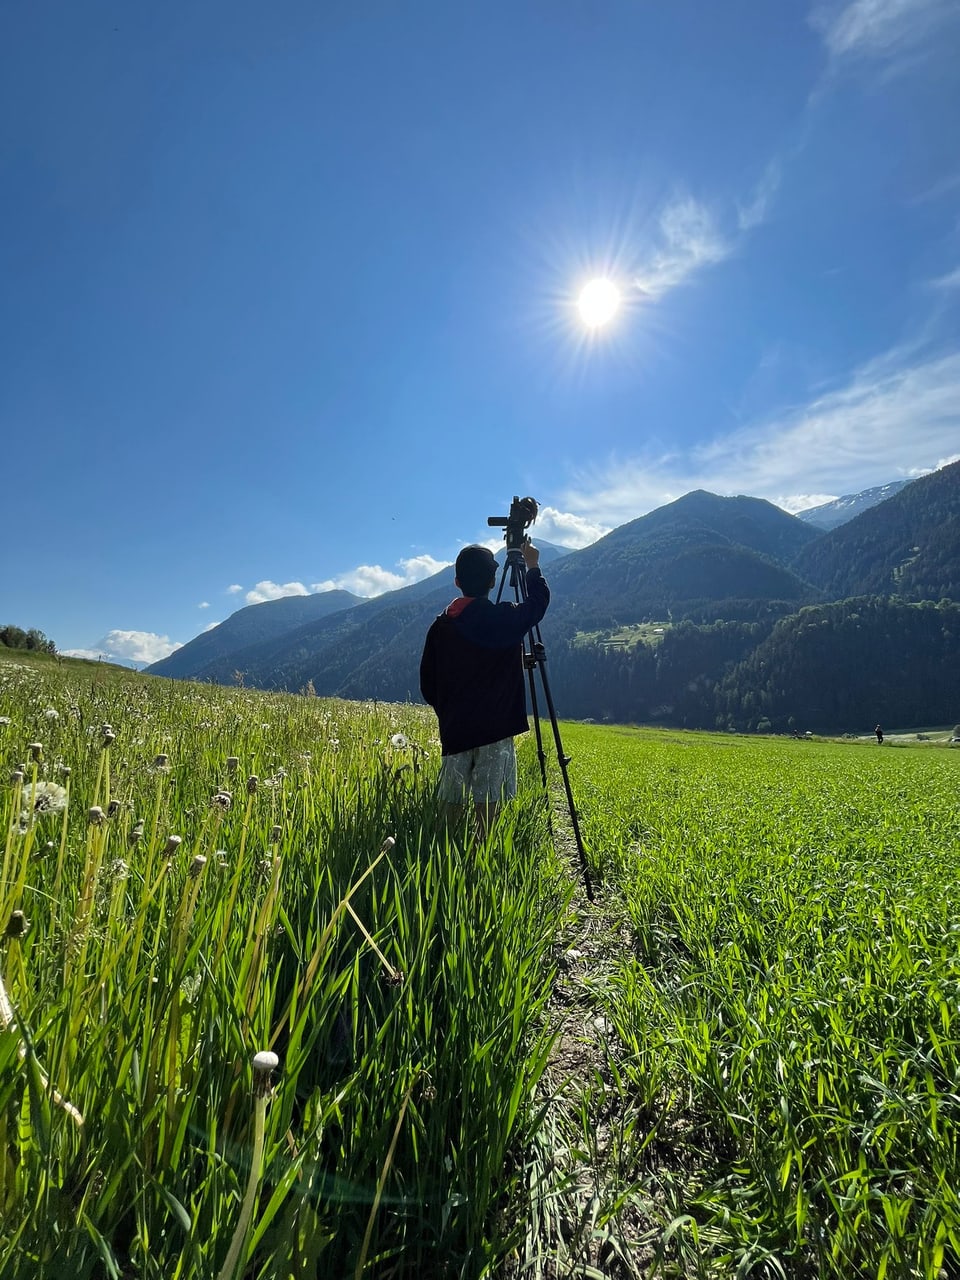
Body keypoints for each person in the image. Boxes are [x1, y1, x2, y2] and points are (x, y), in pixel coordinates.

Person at [419, 540, 550, 837]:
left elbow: (427, 683)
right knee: (489, 808)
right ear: (493, 581)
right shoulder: (502, 619)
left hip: (456, 730)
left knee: (450, 803)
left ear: (456, 582)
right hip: (496, 730)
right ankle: (482, 864)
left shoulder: (440, 627)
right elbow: (538, 603)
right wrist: (532, 567)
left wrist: (449, 711)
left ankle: (443, 859)